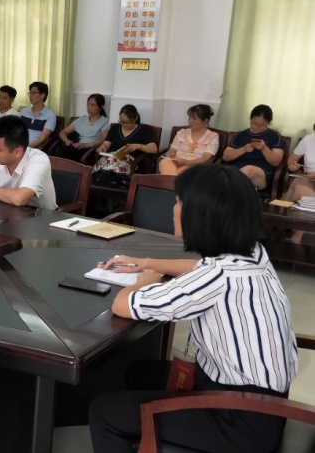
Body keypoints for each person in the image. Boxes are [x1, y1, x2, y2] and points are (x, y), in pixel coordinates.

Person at [89, 164, 297, 453]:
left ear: (200, 215)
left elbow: (122, 304)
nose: (173, 209)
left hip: (237, 420)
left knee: (104, 412)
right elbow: (199, 266)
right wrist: (146, 263)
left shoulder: (218, 278)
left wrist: (143, 282)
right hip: (264, 405)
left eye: (178, 202)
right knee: (141, 373)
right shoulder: (251, 254)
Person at [222, 104, 284, 190]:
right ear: (250, 119)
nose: (258, 127)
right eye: (255, 123)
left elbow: (276, 162)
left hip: (262, 172)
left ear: (269, 123)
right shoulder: (241, 135)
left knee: (248, 170)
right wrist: (243, 149)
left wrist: (264, 148)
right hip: (237, 169)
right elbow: (226, 156)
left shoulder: (274, 136)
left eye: (262, 125)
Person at [93, 104, 157, 175]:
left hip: (128, 161)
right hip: (110, 157)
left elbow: (153, 149)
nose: (124, 125)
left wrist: (137, 146)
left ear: (135, 118)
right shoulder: (115, 128)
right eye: (121, 121)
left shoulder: (143, 130)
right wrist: (102, 148)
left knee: (111, 170)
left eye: (127, 122)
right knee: (98, 170)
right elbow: (106, 144)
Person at [158, 104, 219, 175]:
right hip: (176, 162)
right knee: (164, 162)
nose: (190, 121)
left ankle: (173, 180)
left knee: (185, 172)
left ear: (205, 121)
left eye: (194, 119)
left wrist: (186, 162)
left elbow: (205, 158)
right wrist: (171, 153)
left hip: (195, 166)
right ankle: (175, 179)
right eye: (189, 118)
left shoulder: (213, 136)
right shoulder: (182, 132)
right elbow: (172, 150)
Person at [283, 122, 315, 243]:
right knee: (302, 187)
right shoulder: (308, 140)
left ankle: (295, 235)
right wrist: (292, 165)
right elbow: (292, 159)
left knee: (295, 193)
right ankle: (296, 236)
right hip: (307, 179)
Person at [57, 94, 110, 161]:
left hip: (92, 149)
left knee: (69, 153)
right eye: (88, 104)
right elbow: (62, 132)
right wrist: (67, 141)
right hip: (79, 147)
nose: (89, 107)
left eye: (93, 105)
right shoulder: (82, 119)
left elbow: (104, 139)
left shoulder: (105, 121)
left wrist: (87, 145)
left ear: (100, 107)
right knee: (66, 150)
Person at [19, 81, 57, 149]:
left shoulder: (50, 116)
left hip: (33, 149)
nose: (30, 95)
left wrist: (25, 149)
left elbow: (41, 139)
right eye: (30, 93)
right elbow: (15, 131)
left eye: (33, 93)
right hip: (17, 146)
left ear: (42, 95)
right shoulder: (23, 112)